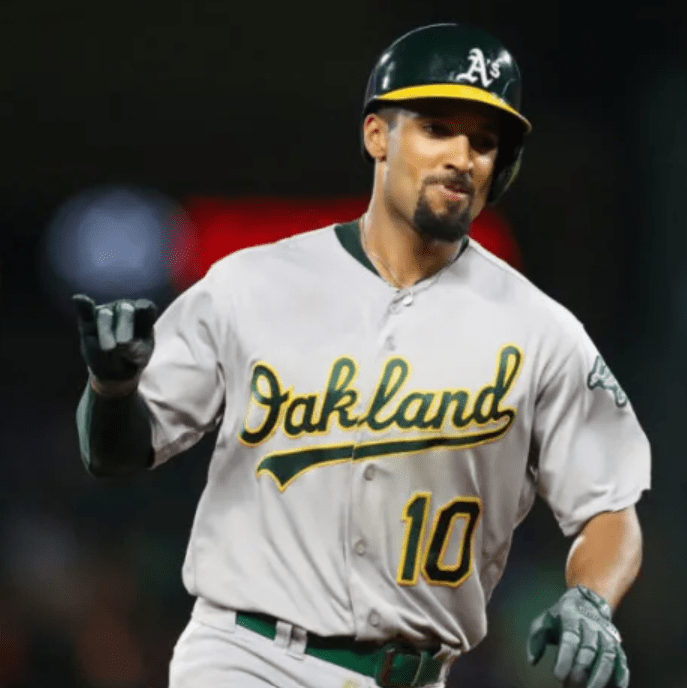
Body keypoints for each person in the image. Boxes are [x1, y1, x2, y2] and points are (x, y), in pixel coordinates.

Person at [73, 23, 650, 688]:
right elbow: (115, 454)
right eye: (436, 128)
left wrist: (592, 598)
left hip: (413, 674)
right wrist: (112, 390)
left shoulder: (540, 332)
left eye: (484, 142)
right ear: (377, 134)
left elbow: (610, 510)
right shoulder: (250, 285)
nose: (461, 157)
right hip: (246, 657)